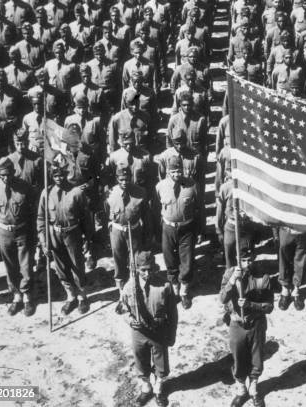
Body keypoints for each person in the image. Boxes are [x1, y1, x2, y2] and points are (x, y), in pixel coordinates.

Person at [121, 250, 178, 407]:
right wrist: (130, 321)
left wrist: (172, 334)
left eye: (150, 269)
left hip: (159, 331)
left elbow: (173, 313)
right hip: (138, 332)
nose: (147, 273)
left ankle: (159, 388)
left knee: (161, 363)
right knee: (140, 360)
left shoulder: (165, 285)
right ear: (136, 269)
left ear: (155, 267)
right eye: (143, 270)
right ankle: (146, 388)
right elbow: (123, 309)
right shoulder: (129, 287)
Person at [37, 162, 94, 315]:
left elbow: (86, 218)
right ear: (51, 176)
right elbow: (41, 219)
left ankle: (82, 297)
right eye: (55, 175)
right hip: (54, 235)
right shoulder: (46, 193)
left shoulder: (76, 193)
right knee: (61, 267)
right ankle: (71, 297)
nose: (59, 178)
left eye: (61, 174)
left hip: (73, 233)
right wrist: (44, 242)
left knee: (77, 266)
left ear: (66, 174)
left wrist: (87, 239)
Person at [219, 248, 273, 407]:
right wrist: (231, 281)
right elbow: (222, 298)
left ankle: (254, 388)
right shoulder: (230, 274)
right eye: (243, 260)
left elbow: (269, 307)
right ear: (237, 259)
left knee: (257, 357)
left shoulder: (263, 276)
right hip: (237, 323)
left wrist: (252, 305)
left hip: (256, 323)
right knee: (238, 356)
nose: (247, 263)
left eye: (250, 260)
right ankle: (241, 389)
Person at [153, 155, 202, 309]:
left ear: (183, 169)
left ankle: (184, 292)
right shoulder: (160, 187)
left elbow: (200, 208)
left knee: (187, 261)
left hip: (187, 228)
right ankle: (175, 289)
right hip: (168, 228)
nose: (176, 175)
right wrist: (156, 231)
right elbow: (155, 210)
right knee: (169, 260)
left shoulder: (192, 185)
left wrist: (200, 230)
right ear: (167, 171)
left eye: (179, 171)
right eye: (173, 172)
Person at [0, 158, 36, 316]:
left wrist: (33, 233)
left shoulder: (24, 186)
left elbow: (32, 211)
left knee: (26, 267)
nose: (5, 178)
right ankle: (17, 296)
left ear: (13, 172)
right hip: (4, 232)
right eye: (2, 175)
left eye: (8, 174)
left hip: (22, 231)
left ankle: (28, 297)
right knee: (10, 267)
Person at [106, 166, 152, 314]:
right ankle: (122, 296)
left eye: (127, 179)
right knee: (119, 263)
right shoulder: (110, 193)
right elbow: (105, 213)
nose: (124, 182)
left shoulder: (140, 192)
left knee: (135, 261)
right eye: (121, 179)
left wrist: (147, 236)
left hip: (134, 231)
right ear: (117, 179)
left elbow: (146, 216)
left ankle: (136, 293)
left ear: (130, 178)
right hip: (117, 231)